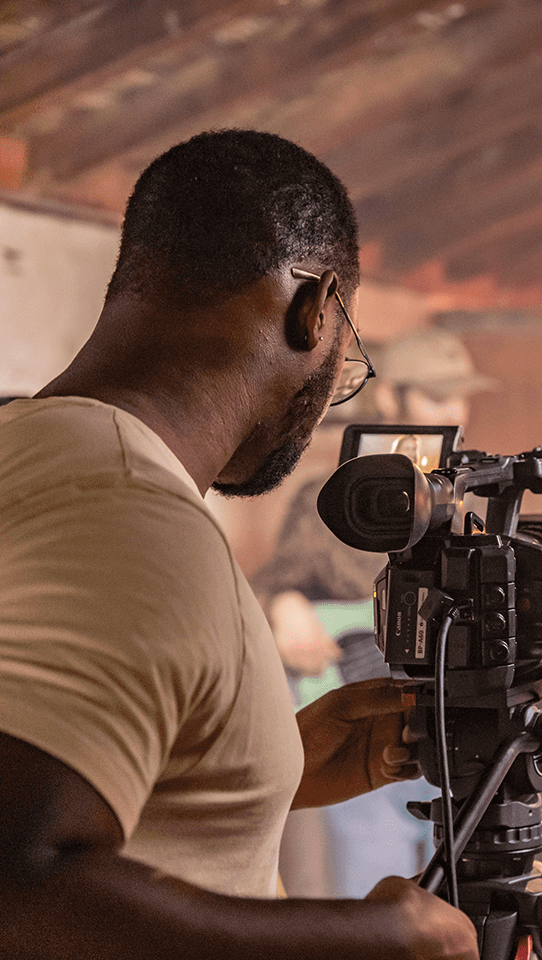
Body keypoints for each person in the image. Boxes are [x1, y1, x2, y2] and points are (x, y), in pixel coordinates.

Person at [0, 130, 477, 959]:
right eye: (346, 356)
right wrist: (375, 940)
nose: (335, 386)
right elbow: (19, 888)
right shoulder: (128, 514)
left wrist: (262, 766)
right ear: (315, 309)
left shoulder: (29, 445)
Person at [251, 328, 498, 897]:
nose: (456, 411)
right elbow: (273, 584)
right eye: (438, 396)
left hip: (455, 722)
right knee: (369, 888)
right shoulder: (334, 498)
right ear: (390, 400)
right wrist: (283, 607)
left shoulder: (475, 502)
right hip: (363, 723)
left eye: (462, 396)